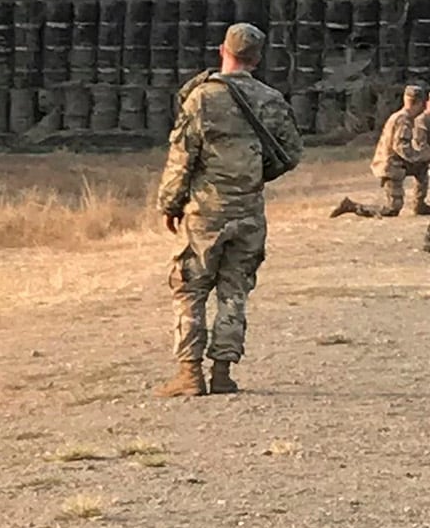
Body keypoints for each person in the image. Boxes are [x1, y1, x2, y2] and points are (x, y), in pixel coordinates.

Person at [153, 23, 301, 398]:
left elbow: (183, 156)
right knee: (235, 292)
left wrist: (170, 202)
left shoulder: (202, 97)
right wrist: (254, 176)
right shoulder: (271, 99)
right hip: (249, 209)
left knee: (190, 288)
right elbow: (291, 153)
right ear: (258, 58)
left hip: (206, 210)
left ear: (223, 50)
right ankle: (222, 373)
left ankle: (189, 374)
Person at [330, 84, 426, 219]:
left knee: (422, 166)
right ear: (419, 103)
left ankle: (419, 204)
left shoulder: (401, 117)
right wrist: (419, 155)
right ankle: (352, 206)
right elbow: (401, 148)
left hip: (397, 163)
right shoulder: (403, 120)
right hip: (390, 166)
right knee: (392, 209)